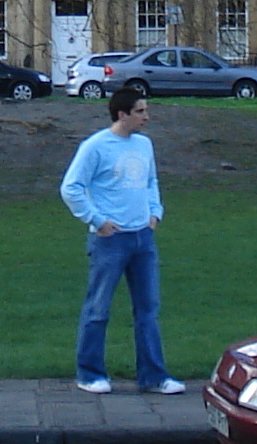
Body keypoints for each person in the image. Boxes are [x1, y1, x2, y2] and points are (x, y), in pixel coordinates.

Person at [58, 82, 181, 395]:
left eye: (146, 111)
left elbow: (151, 181)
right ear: (122, 114)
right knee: (98, 309)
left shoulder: (144, 145)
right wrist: (97, 220)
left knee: (148, 310)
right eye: (140, 112)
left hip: (143, 238)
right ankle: (90, 374)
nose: (146, 117)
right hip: (110, 241)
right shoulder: (96, 146)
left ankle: (154, 376)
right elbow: (71, 187)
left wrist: (155, 212)